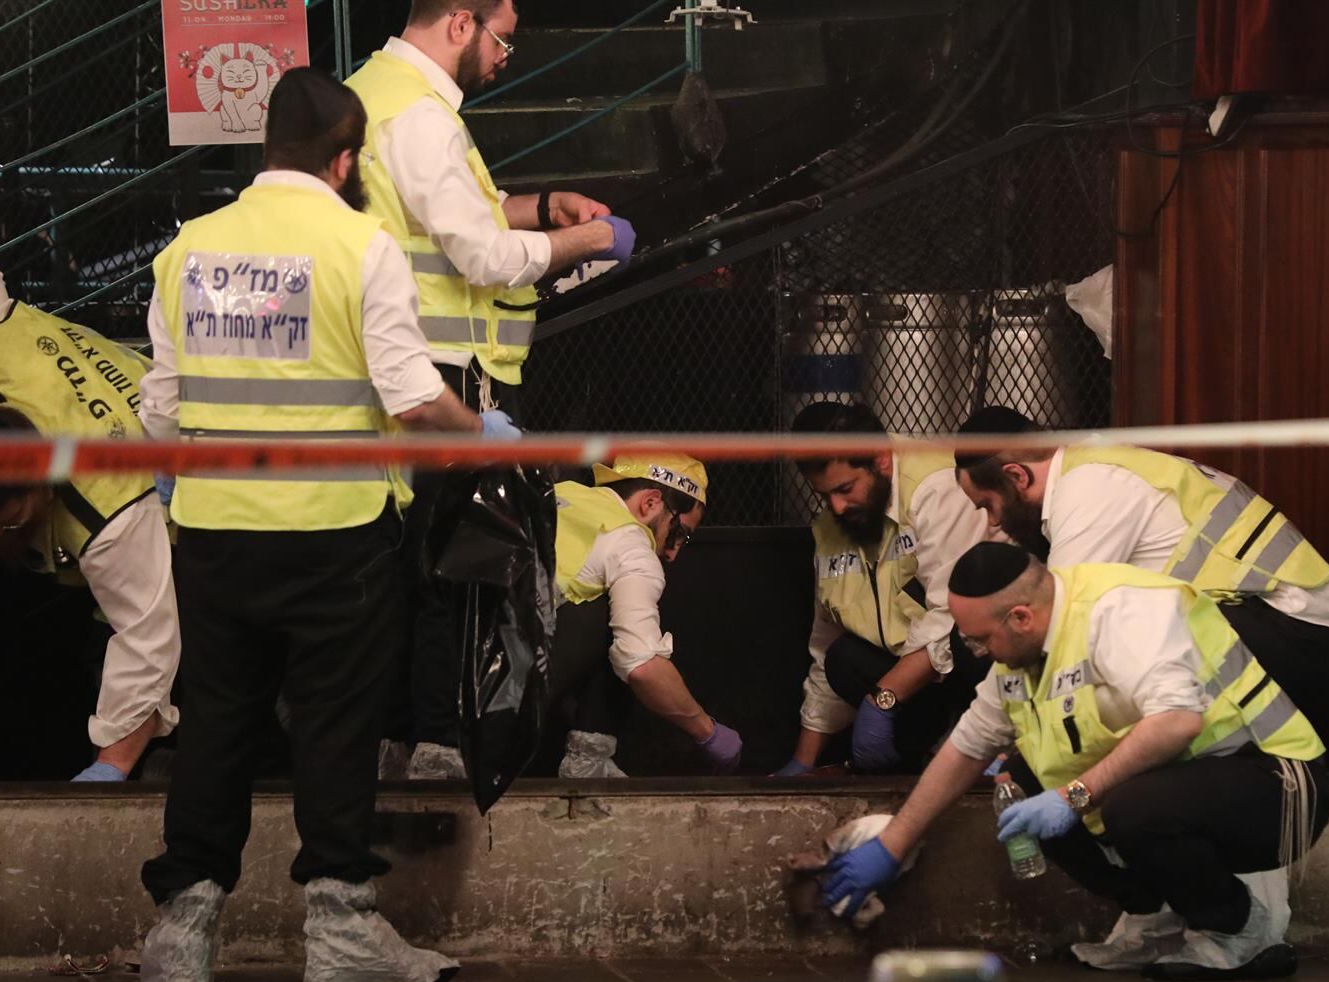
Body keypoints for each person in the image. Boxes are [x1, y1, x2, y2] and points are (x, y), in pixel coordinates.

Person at [134, 68, 493, 982]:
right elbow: (414, 398)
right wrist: (480, 433)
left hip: (214, 534)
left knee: (216, 723)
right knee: (336, 728)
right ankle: (340, 937)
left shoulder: (189, 251)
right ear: (345, 159)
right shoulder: (360, 246)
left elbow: (160, 417)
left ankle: (181, 933)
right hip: (338, 534)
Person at [345, 0, 635, 780]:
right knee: (453, 569)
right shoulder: (422, 117)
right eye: (503, 37)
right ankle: (437, 744)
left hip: (396, 366)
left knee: (408, 565)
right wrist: (589, 241)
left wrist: (542, 207)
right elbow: (480, 255)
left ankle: (395, 738)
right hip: (441, 372)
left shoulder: (376, 93)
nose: (509, 54)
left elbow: (455, 218)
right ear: (460, 24)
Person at [819, 542, 1329, 981]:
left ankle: (1240, 930)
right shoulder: (1021, 651)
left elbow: (1177, 721)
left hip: (1278, 783)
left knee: (1132, 808)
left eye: (980, 638)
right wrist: (893, 843)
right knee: (1017, 784)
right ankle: (1152, 916)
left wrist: (1074, 796)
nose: (975, 652)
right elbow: (968, 746)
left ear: (1020, 617)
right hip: (1185, 782)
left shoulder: (1119, 610)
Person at [953, 407, 1329, 756]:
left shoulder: (1091, 487)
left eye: (988, 505)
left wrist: (987, 739)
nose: (992, 523)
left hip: (1301, 642)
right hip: (1285, 635)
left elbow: (1051, 626)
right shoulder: (1095, 465)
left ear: (1017, 477)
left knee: (1097, 660)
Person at [0, 407, 179, 781]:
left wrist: (110, 768)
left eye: (10, 522)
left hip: (183, 538)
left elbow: (147, 640)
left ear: (43, 486)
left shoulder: (108, 517)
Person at [778, 401, 993, 776]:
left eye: (845, 489)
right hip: (914, 682)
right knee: (842, 658)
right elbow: (824, 643)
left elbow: (952, 616)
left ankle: (979, 750)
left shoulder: (937, 487)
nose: (838, 507)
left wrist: (881, 701)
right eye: (824, 496)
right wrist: (802, 762)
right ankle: (923, 761)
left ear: (880, 459)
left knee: (967, 636)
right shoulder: (833, 526)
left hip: (976, 668)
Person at [547, 452, 741, 777]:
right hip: (501, 704)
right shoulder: (630, 543)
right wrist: (709, 732)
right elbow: (642, 667)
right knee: (625, 631)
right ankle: (587, 764)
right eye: (679, 533)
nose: (672, 552)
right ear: (651, 503)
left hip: (450, 687)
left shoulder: (559, 494)